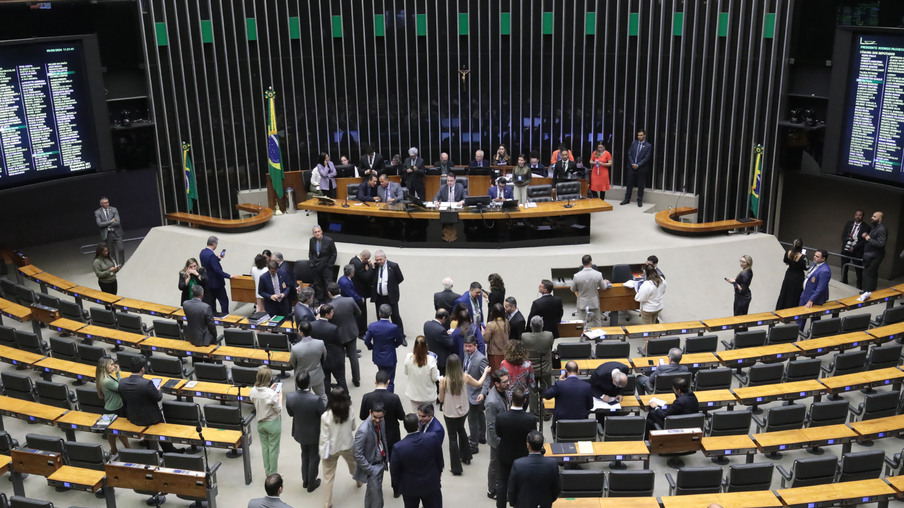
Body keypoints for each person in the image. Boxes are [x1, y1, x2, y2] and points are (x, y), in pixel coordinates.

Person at [118, 356, 181, 453]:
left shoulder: (122, 382)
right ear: (143, 369)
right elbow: (158, 397)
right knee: (161, 429)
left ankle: (150, 450)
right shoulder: (147, 384)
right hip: (151, 418)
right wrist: (158, 389)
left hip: (133, 417)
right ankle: (169, 451)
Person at [439, 354, 490, 475]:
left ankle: (456, 467)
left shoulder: (443, 381)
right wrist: (485, 372)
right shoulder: (465, 377)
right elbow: (479, 383)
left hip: (450, 412)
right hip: (463, 411)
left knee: (452, 438)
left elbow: (441, 399)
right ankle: (466, 456)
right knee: (461, 430)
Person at [390, 413, 444, 508]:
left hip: (410, 488)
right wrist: (438, 473)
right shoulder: (433, 438)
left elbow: (394, 471)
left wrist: (398, 486)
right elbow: (439, 459)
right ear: (418, 425)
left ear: (405, 427)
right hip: (430, 483)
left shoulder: (398, 447)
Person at [495, 388, 537, 508]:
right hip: (523, 455)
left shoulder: (501, 417)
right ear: (524, 401)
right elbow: (532, 436)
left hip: (505, 454)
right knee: (522, 483)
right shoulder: (530, 419)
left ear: (511, 398)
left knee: (502, 482)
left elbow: (499, 434)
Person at [285, 371, 325, 493]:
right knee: (314, 457)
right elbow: (323, 414)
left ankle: (305, 480)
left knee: (304, 454)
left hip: (300, 431)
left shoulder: (290, 397)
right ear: (309, 383)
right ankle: (311, 483)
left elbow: (291, 413)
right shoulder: (316, 399)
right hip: (314, 433)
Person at [320, 387, 357, 508]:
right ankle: (359, 480)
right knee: (354, 465)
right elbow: (353, 427)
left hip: (331, 449)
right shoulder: (350, 411)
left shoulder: (326, 416)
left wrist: (323, 453)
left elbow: (324, 437)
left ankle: (327, 503)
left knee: (328, 476)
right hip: (347, 445)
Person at [507, 430, 561, 508]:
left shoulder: (518, 464)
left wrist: (514, 504)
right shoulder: (552, 464)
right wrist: (549, 500)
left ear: (528, 445)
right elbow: (557, 488)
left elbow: (512, 490)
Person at [359, 371, 406, 454]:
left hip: (373, 436)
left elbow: (362, 416)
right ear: (388, 381)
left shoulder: (367, 397)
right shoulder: (394, 398)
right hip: (391, 436)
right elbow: (402, 417)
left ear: (375, 381)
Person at [353, 401, 390, 508]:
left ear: (384, 414)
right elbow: (357, 454)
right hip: (373, 467)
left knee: (372, 494)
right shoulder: (363, 431)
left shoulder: (382, 421)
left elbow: (383, 438)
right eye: (375, 417)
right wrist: (371, 470)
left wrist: (386, 458)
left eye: (380, 417)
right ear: (370, 412)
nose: (377, 420)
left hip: (381, 462)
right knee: (378, 501)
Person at [249, 365, 283, 476]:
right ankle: (273, 475)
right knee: (273, 450)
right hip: (273, 423)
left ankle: (267, 472)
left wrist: (270, 390)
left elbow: (257, 398)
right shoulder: (272, 394)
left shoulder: (253, 391)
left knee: (265, 449)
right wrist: (280, 395)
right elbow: (279, 410)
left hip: (260, 424)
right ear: (269, 379)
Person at [326, 282, 362, 387]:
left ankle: (342, 381)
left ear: (329, 293)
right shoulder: (350, 300)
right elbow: (359, 313)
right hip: (351, 332)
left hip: (338, 336)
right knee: (353, 356)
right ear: (340, 290)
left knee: (340, 359)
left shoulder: (330, 306)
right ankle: (356, 379)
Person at [364, 304, 405, 391]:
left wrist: (372, 347)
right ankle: (389, 396)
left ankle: (381, 392)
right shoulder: (394, 327)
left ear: (379, 313)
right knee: (390, 380)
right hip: (390, 357)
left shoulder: (372, 326)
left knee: (381, 378)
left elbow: (366, 340)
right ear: (390, 314)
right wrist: (394, 345)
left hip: (378, 357)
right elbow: (400, 340)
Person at [543, 361, 593, 430]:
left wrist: (558, 382)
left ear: (566, 371)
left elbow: (546, 395)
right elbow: (590, 406)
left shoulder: (559, 384)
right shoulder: (587, 386)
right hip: (581, 425)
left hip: (561, 425)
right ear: (578, 371)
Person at [95, 357, 131, 454]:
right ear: (105, 366)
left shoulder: (106, 377)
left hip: (115, 407)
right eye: (111, 364)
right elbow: (121, 387)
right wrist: (118, 373)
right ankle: (120, 449)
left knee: (115, 432)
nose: (114, 366)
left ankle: (118, 449)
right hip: (114, 409)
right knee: (114, 432)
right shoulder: (107, 381)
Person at [485, 369, 511, 501]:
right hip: (497, 439)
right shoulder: (491, 401)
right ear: (496, 384)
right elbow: (490, 425)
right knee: (494, 464)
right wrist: (499, 442)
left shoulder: (505, 392)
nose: (508, 383)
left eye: (507, 380)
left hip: (505, 435)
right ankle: (491, 489)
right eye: (505, 382)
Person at [521, 315, 554, 419]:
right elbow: (550, 347)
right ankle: (546, 411)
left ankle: (534, 413)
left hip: (531, 370)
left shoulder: (524, 337)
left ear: (531, 325)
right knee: (547, 389)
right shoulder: (549, 335)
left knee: (532, 391)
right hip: (545, 369)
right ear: (542, 325)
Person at [463, 335, 489, 454]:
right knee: (479, 414)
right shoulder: (466, 355)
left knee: (472, 419)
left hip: (476, 394)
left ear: (476, 346)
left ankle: (474, 445)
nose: (467, 349)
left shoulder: (481, 359)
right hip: (468, 391)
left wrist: (483, 393)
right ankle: (481, 436)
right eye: (466, 346)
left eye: (469, 346)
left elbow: (486, 378)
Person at [289, 320, 328, 399]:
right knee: (322, 396)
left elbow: (293, 363)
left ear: (301, 333)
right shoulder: (320, 343)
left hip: (301, 378)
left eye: (298, 330)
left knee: (302, 399)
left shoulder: (295, 348)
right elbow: (324, 356)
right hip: (317, 375)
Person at [312, 304, 346, 392]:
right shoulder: (333, 328)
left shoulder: (312, 325)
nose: (333, 314)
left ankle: (327, 397)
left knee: (326, 380)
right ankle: (345, 396)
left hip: (321, 358)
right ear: (326, 315)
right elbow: (340, 342)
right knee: (340, 379)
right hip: (335, 358)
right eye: (331, 312)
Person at [370, 250, 405, 334]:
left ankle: (400, 335)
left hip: (390, 296)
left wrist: (391, 286)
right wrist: (372, 266)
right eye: (377, 260)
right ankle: (383, 333)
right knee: (380, 316)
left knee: (395, 316)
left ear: (385, 258)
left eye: (380, 259)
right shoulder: (375, 266)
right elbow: (369, 278)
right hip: (379, 297)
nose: (379, 261)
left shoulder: (393, 266)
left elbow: (400, 278)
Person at [571, 254, 610, 328]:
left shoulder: (576, 276)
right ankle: (598, 335)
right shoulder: (598, 274)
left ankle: (582, 335)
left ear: (582, 263)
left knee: (581, 322)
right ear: (591, 262)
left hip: (582, 303)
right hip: (594, 302)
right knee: (597, 321)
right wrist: (606, 282)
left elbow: (573, 289)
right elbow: (603, 287)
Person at [200, 235, 234, 316]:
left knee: (212, 302)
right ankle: (225, 317)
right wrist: (229, 276)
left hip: (208, 283)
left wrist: (217, 258)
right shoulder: (211, 255)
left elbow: (209, 264)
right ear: (214, 244)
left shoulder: (202, 252)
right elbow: (217, 270)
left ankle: (214, 317)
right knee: (224, 301)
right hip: (217, 283)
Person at [404, 335, 439, 412]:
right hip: (428, 395)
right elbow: (434, 378)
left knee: (416, 416)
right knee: (430, 416)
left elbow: (406, 372)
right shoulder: (431, 360)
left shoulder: (408, 357)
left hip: (414, 394)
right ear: (426, 346)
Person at [620, 129, 653, 207]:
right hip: (631, 167)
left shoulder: (648, 145)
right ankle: (627, 199)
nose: (639, 137)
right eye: (638, 135)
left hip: (641, 168)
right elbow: (629, 154)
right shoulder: (634, 143)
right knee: (629, 184)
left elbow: (647, 158)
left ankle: (639, 200)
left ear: (644, 135)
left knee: (640, 185)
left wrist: (638, 165)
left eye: (641, 135)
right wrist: (632, 163)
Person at [841, 210, 871, 289]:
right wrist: (847, 243)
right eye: (856, 215)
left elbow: (864, 241)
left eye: (860, 215)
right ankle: (843, 281)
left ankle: (859, 285)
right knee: (844, 266)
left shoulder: (866, 227)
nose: (857, 216)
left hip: (857, 250)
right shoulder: (849, 224)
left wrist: (854, 247)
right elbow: (843, 236)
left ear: (863, 216)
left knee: (858, 269)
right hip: (846, 248)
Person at [308, 225, 337, 305]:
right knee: (318, 284)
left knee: (328, 284)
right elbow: (311, 252)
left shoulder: (329, 240)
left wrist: (329, 265)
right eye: (315, 232)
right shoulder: (312, 240)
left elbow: (334, 254)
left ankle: (329, 301)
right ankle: (320, 300)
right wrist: (311, 262)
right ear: (313, 233)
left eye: (318, 231)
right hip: (315, 266)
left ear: (321, 231)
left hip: (326, 267)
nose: (317, 233)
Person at [776, 239, 808, 310]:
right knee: (795, 293)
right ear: (802, 246)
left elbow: (786, 262)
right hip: (798, 275)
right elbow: (806, 267)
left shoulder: (788, 252)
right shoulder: (803, 257)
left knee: (785, 290)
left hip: (789, 273)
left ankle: (781, 307)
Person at [862, 211, 887, 293]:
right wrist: (867, 236)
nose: (872, 218)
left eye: (874, 217)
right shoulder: (875, 227)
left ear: (880, 219)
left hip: (875, 255)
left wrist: (869, 239)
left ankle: (866, 292)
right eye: (872, 216)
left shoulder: (882, 229)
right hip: (871, 254)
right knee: (873, 273)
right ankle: (871, 292)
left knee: (868, 273)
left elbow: (881, 244)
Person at [635, 263, 667, 328]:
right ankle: (654, 334)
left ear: (645, 273)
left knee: (648, 329)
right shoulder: (662, 280)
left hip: (648, 309)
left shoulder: (646, 284)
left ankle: (650, 335)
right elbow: (663, 291)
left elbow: (640, 298)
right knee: (653, 325)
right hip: (658, 307)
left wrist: (638, 293)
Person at [95, 196, 125, 265]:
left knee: (121, 249)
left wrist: (105, 224)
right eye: (105, 203)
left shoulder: (114, 209)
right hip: (107, 234)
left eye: (107, 202)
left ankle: (121, 264)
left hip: (117, 232)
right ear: (101, 204)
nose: (107, 204)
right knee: (111, 252)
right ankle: (115, 265)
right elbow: (99, 224)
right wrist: (110, 221)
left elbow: (117, 222)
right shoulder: (97, 212)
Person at [349, 250, 373, 335]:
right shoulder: (359, 264)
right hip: (360, 292)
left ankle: (360, 329)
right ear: (365, 258)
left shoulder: (353, 260)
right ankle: (362, 331)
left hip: (355, 290)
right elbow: (366, 277)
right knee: (362, 312)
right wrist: (370, 268)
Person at [424, 309, 454, 376]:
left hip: (430, 354)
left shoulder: (427, 324)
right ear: (443, 318)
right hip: (441, 359)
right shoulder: (441, 330)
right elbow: (450, 343)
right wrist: (450, 335)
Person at [485, 303, 511, 371]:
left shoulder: (490, 324)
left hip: (494, 353)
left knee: (495, 372)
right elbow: (508, 333)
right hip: (506, 351)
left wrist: (483, 333)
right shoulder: (506, 322)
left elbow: (486, 339)